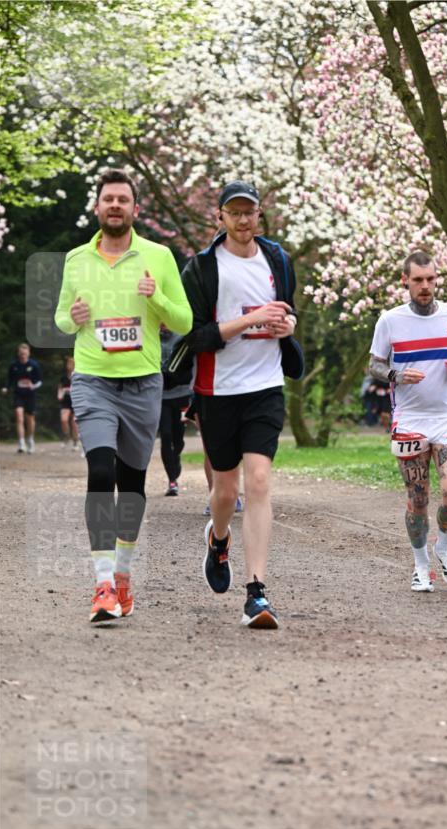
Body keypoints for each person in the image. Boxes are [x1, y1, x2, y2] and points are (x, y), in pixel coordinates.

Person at [54, 167, 192, 623]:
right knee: (100, 469)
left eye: (123, 200)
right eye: (108, 199)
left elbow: (185, 320)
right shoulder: (76, 259)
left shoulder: (159, 256)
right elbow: (61, 319)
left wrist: (156, 299)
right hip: (93, 380)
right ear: (97, 207)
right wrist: (72, 318)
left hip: (143, 383)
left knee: (132, 483)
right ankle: (102, 583)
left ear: (135, 208)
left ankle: (124, 574)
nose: (115, 205)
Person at [181, 180, 297, 629]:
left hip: (265, 387)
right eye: (235, 212)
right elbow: (195, 337)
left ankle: (257, 593)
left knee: (260, 481)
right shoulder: (203, 267)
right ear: (221, 217)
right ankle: (218, 539)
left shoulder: (277, 259)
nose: (243, 219)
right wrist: (250, 319)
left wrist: (286, 325)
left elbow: (288, 311)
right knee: (226, 491)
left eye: (249, 211)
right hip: (218, 391)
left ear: (259, 214)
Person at [369, 250, 447, 593]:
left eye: (430, 279)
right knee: (418, 499)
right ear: (405, 281)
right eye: (418, 280)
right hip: (410, 419)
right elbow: (375, 364)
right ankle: (421, 565)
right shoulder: (390, 320)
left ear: (436, 279)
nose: (425, 286)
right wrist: (396, 375)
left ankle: (443, 547)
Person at [159, 326, 191, 496]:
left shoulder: (182, 336)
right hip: (161, 397)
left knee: (178, 440)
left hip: (182, 395)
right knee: (165, 436)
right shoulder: (151, 336)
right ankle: (172, 480)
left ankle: (175, 458)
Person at [2, 343, 42, 453]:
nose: (22, 355)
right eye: (21, 353)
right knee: (19, 416)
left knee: (30, 419)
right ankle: (21, 443)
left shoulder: (34, 365)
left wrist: (33, 386)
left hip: (30, 395)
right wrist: (6, 388)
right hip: (18, 394)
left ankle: (30, 440)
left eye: (24, 353)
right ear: (18, 354)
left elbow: (40, 381)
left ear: (28, 353)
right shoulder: (14, 365)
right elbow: (9, 379)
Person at [57, 355, 80, 449]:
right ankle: (66, 436)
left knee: (74, 422)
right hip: (65, 402)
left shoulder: (78, 376)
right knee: (64, 420)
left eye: (70, 363)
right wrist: (59, 395)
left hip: (75, 401)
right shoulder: (63, 377)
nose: (68, 365)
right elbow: (60, 388)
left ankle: (75, 441)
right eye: (67, 363)